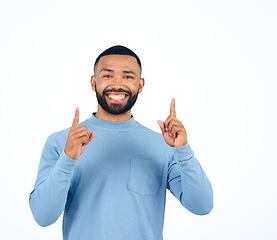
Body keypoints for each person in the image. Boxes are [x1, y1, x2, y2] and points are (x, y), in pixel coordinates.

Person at [29, 45, 213, 240]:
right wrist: (67, 159)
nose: (117, 84)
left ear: (140, 85)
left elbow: (202, 205)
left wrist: (183, 150)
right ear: (93, 82)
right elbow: (43, 216)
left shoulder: (163, 145)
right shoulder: (61, 143)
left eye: (128, 76)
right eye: (107, 76)